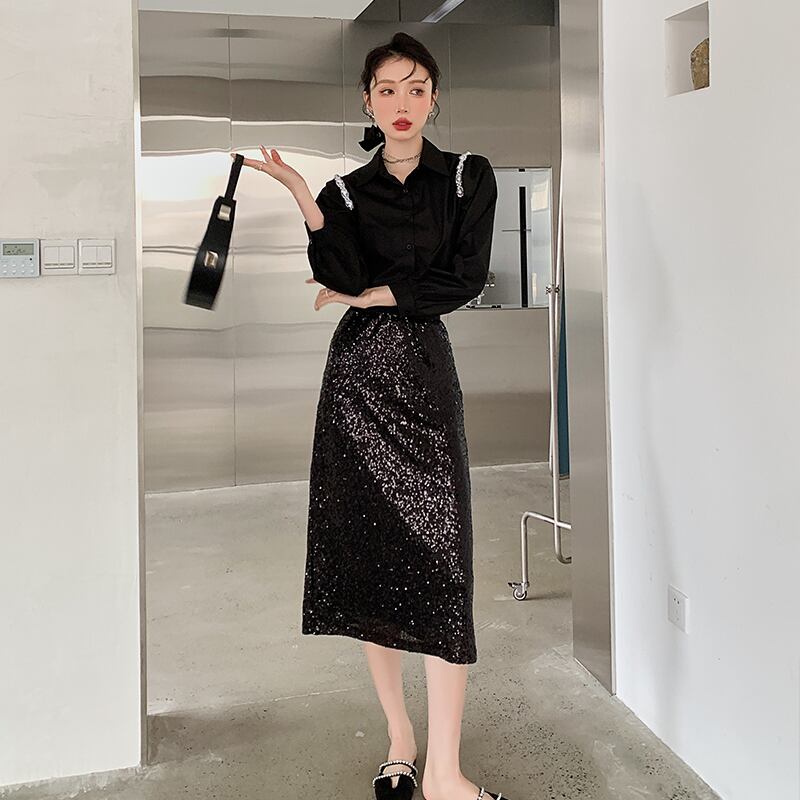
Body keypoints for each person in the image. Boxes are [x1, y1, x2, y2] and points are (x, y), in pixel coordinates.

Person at [233, 31, 506, 800]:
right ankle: (401, 741)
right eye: (387, 89)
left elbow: (465, 277)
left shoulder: (468, 177)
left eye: (416, 88)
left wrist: (384, 293)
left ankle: (446, 773)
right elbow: (340, 271)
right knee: (371, 563)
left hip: (424, 374)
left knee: (444, 568)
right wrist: (302, 196)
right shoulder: (346, 193)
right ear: (367, 100)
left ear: (434, 96)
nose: (402, 103)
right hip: (357, 382)